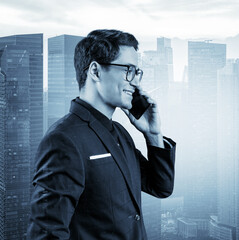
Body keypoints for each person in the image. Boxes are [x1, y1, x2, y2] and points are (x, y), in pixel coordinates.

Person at [27, 29, 176, 240]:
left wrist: (153, 134)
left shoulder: (121, 134)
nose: (135, 82)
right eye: (128, 70)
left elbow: (161, 187)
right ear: (95, 71)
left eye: (137, 72)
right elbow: (46, 233)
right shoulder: (63, 140)